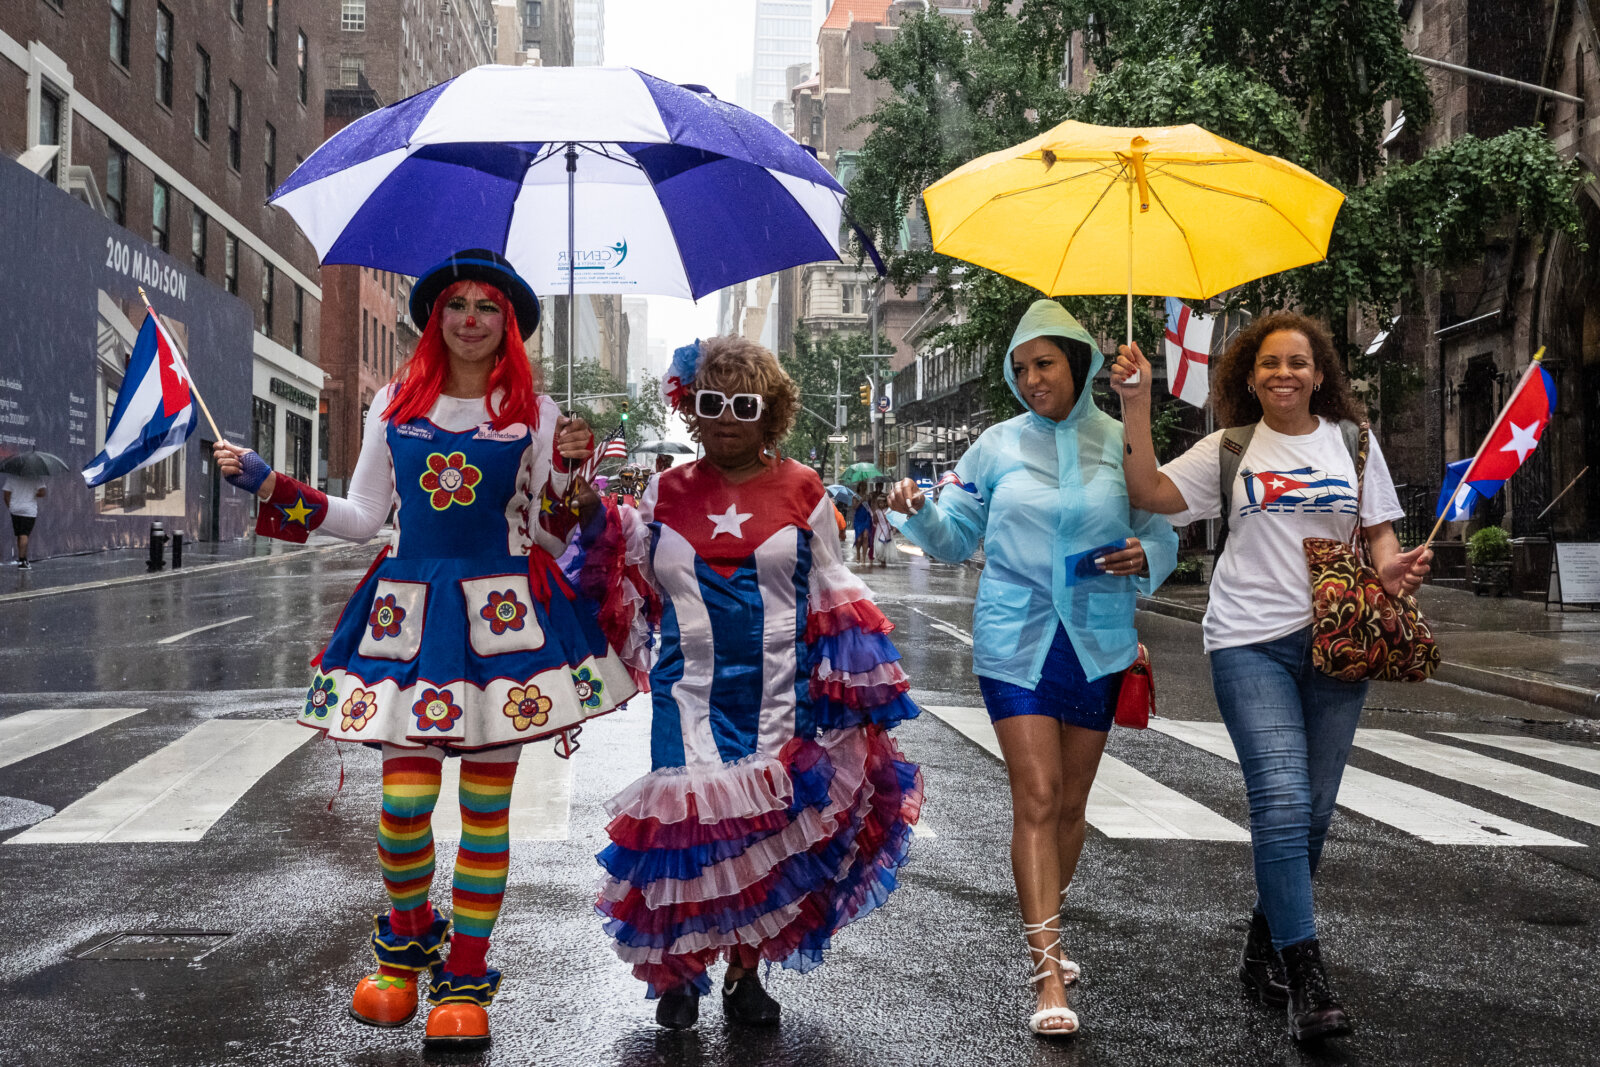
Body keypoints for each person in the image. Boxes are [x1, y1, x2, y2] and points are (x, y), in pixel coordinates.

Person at [213, 249, 637, 1051]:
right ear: (434, 318)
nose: (471, 318)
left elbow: (550, 531)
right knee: (403, 811)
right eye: (456, 304)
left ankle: (466, 973)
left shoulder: (538, 416)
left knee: (484, 811)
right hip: (407, 621)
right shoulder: (393, 406)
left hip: (504, 626)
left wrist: (574, 481)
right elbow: (364, 515)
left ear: (508, 324)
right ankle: (408, 945)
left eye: (487, 306)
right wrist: (272, 484)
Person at [570, 336, 923, 1030]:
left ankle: (745, 973)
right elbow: (628, 573)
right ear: (690, 411)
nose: (726, 418)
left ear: (772, 413)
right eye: (710, 403)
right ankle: (681, 971)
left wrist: (851, 689)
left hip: (776, 693)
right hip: (686, 690)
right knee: (688, 833)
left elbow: (831, 587)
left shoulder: (803, 489)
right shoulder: (664, 489)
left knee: (760, 837)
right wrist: (586, 503)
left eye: (743, 404)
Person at [1111, 312, 1431, 1042]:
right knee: (1281, 800)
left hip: (1339, 642)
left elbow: (1379, 537)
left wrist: (1397, 570)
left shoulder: (1353, 443)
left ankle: (1267, 937)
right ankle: (1308, 973)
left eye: (1297, 362)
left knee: (1313, 814)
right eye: (1268, 364)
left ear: (1320, 374)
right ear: (1248, 378)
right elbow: (1150, 492)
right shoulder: (1230, 448)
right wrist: (1136, 403)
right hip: (1249, 641)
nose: (1283, 373)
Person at [887, 300, 1177, 1037]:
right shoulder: (992, 446)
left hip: (1098, 640)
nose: (1031, 378)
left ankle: (1048, 910)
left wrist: (1151, 555)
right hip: (1013, 640)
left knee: (1072, 806)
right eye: (1020, 368)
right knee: (1038, 795)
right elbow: (953, 539)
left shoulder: (1119, 440)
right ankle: (1047, 964)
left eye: (1044, 363)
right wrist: (917, 512)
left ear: (1077, 363)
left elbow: (1158, 525)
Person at [2, 473, 45, 568]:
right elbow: (42, 493)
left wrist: (11, 507)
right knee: (24, 534)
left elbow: (6, 495)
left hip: (15, 509)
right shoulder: (36, 477)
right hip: (29, 510)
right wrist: (32, 492)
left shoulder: (11, 478)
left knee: (19, 534)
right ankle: (22, 561)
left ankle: (23, 557)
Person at [870, 491, 894, 566]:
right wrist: (875, 519)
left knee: (885, 545)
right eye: (879, 503)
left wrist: (893, 528)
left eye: (882, 503)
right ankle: (881, 558)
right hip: (879, 529)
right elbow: (874, 520)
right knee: (879, 545)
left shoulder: (889, 511)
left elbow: (892, 520)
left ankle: (884, 560)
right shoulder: (877, 511)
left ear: (886, 503)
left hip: (887, 529)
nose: (881, 504)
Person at [851, 493, 872, 564]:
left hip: (866, 518)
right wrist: (861, 501)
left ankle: (863, 558)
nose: (863, 487)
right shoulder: (855, 496)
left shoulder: (868, 495)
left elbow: (870, 508)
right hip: (858, 519)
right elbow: (854, 507)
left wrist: (868, 499)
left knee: (865, 537)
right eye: (862, 486)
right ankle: (858, 553)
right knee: (859, 539)